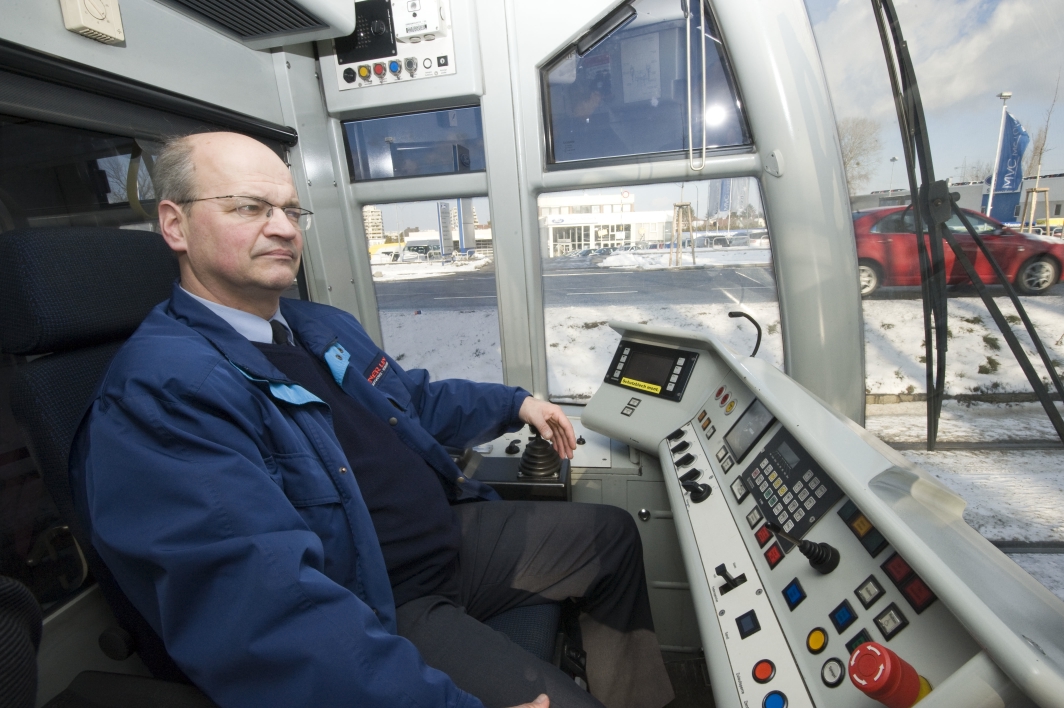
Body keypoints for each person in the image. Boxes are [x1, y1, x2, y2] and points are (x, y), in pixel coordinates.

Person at [69, 132, 675, 708]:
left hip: (450, 539)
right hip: (381, 596)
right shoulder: (165, 394)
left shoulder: (317, 326)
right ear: (175, 224)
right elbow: (270, 615)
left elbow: (413, 401)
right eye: (250, 207)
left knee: (611, 535)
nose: (282, 228)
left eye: (290, 210)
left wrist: (515, 403)